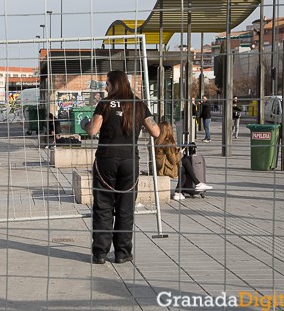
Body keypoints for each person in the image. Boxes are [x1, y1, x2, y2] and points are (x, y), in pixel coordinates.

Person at [80, 71, 160, 265]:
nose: (105, 87)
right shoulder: (139, 104)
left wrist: (84, 123)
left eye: (107, 83)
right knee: (125, 208)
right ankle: (122, 253)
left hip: (106, 160)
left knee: (103, 207)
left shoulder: (105, 104)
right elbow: (156, 132)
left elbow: (92, 130)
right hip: (129, 161)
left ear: (115, 84)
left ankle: (100, 253)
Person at [154, 121, 213, 200]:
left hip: (158, 167)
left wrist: (176, 151)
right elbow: (173, 160)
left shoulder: (157, 141)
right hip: (165, 169)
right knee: (185, 163)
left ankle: (181, 191)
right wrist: (180, 153)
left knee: (184, 167)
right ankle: (195, 185)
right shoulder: (167, 143)